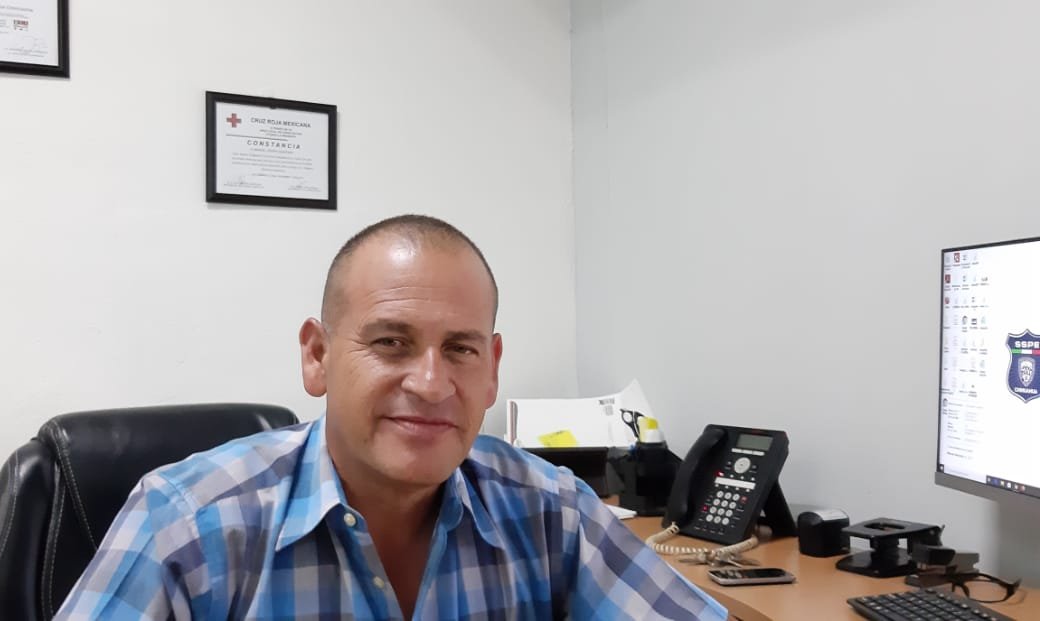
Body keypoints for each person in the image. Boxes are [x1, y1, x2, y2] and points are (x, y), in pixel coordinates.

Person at [56, 215, 725, 620]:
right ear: (317, 356)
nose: (431, 384)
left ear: (491, 368)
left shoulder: (552, 511)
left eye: (460, 349)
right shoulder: (183, 525)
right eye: (390, 342)